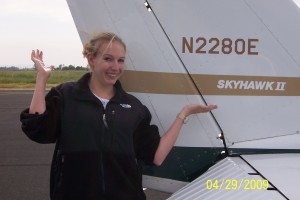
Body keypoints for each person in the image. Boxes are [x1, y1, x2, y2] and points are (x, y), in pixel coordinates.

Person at [20, 32, 217, 200]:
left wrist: (183, 115)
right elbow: (39, 129)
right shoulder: (66, 95)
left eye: (120, 60)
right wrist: (41, 79)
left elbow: (156, 156)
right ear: (91, 59)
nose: (116, 67)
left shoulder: (133, 107)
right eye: (108, 58)